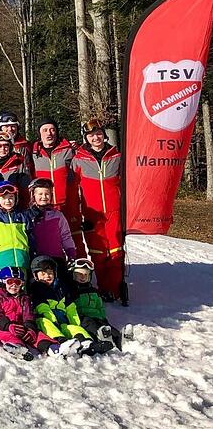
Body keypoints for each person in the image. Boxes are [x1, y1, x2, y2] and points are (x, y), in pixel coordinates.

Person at [72, 119, 125, 303]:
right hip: (92, 214)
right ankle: (104, 289)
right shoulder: (78, 159)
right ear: (86, 138)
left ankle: (117, 289)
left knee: (117, 252)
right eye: (91, 135)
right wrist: (79, 214)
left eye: (99, 133)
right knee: (98, 253)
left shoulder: (116, 156)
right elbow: (73, 189)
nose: (96, 137)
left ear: (104, 135)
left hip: (114, 213)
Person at [31, 117, 83, 255]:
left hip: (67, 204)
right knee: (48, 243)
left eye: (52, 130)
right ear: (39, 133)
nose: (49, 133)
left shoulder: (68, 150)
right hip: (44, 206)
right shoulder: (33, 154)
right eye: (45, 130)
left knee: (74, 240)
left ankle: (79, 273)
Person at [27, 256, 96, 355]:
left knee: (74, 328)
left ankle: (87, 342)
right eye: (43, 274)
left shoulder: (60, 287)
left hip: (62, 320)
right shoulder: (37, 288)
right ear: (36, 276)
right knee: (45, 323)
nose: (47, 276)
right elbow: (42, 307)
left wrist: (74, 322)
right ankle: (61, 342)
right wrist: (53, 320)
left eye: (50, 273)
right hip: (48, 319)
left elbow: (70, 305)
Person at [0, 266, 59, 359]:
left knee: (37, 335)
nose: (14, 285)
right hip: (4, 327)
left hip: (22, 326)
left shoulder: (24, 298)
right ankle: (18, 348)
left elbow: (28, 314)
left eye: (17, 282)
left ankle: (51, 347)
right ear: (2, 282)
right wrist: (8, 326)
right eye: (10, 282)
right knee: (7, 335)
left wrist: (30, 328)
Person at [66, 258, 125, 351]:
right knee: (93, 326)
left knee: (109, 328)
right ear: (73, 275)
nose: (83, 277)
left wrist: (102, 317)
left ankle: (121, 339)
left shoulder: (93, 291)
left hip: (98, 317)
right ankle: (101, 339)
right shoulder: (71, 291)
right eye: (79, 274)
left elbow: (99, 305)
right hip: (84, 318)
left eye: (86, 274)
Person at [28, 178, 76, 277]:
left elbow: (66, 236)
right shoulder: (28, 216)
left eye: (47, 194)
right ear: (33, 196)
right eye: (40, 194)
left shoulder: (58, 215)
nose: (44, 197)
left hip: (57, 258)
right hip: (38, 260)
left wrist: (71, 253)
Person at [0, 182, 34, 274]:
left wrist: (33, 254)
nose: (8, 201)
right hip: (3, 261)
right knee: (6, 285)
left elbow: (31, 237)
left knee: (21, 285)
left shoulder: (23, 216)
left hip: (22, 260)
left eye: (11, 198)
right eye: (3, 198)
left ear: (16, 198)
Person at [0, 131, 31, 207]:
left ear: (11, 147)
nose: (3, 148)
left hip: (14, 207)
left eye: (6, 145)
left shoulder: (19, 162)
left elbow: (25, 190)